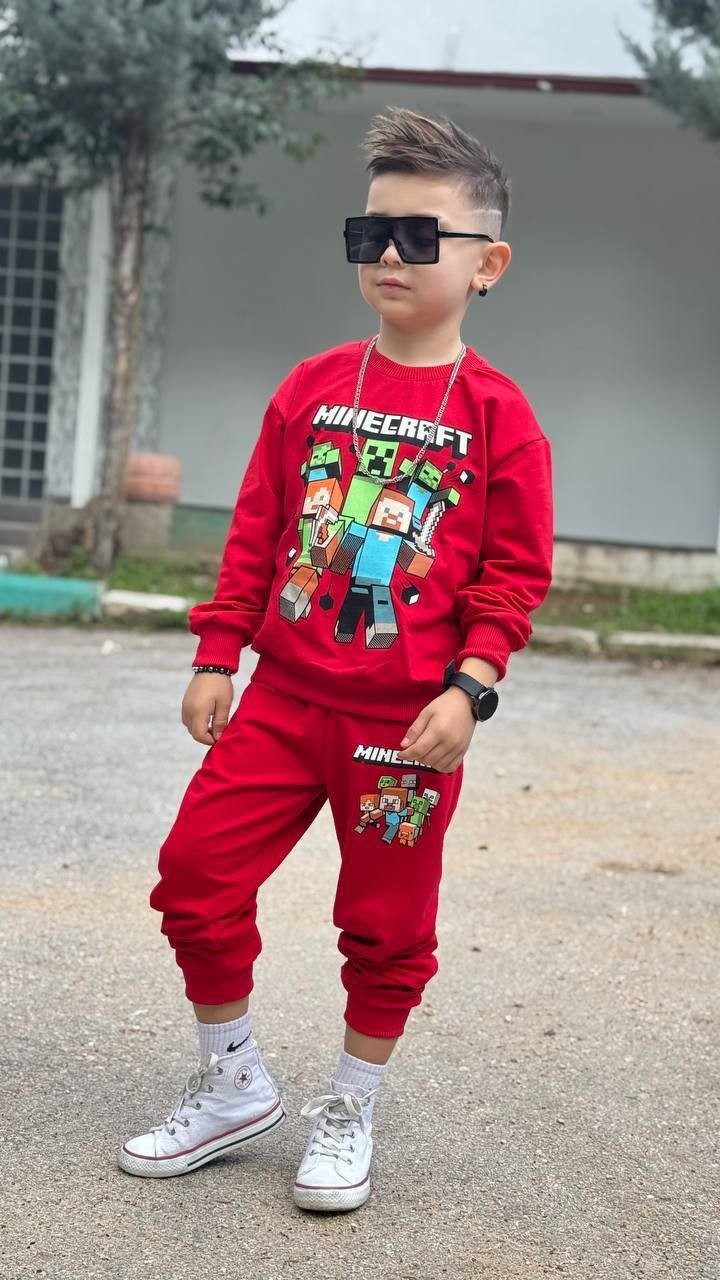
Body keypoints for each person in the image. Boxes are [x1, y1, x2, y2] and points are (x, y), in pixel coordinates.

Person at [117, 106, 554, 1213]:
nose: (389, 256)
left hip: (404, 731)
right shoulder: (311, 387)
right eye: (370, 235)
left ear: (488, 263)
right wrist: (218, 653)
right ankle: (233, 1083)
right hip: (279, 702)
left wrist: (472, 687)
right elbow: (258, 532)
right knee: (195, 877)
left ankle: (351, 1103)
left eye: (419, 236)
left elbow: (512, 578)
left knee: (388, 925)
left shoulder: (500, 418)